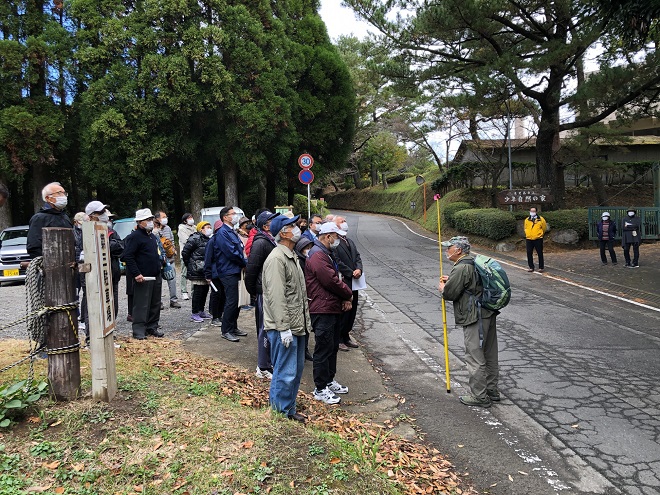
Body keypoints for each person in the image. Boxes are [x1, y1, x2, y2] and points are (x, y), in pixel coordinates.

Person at [439, 236, 499, 408]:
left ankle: (479, 396)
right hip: (487, 312)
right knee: (489, 353)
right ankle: (492, 390)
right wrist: (451, 281)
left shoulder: (461, 267)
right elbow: (471, 286)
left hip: (474, 315)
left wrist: (444, 288)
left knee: (474, 355)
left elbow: (450, 294)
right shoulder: (473, 263)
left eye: (449, 247)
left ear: (458, 250)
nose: (446, 250)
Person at [262, 214, 311, 423]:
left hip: (296, 325)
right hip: (284, 326)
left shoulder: (291, 256)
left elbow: (298, 295)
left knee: (295, 371)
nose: (297, 228)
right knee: (285, 372)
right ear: (283, 232)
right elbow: (276, 298)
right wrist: (283, 328)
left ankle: (288, 409)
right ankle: (279, 414)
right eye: (292, 226)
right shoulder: (276, 259)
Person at [305, 222, 353, 405]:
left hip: (330, 306)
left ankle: (329, 380)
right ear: (327, 236)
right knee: (323, 348)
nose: (338, 240)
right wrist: (348, 293)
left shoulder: (326, 253)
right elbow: (331, 281)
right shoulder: (318, 255)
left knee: (332, 346)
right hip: (322, 307)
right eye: (336, 236)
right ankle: (320, 387)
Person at [204, 206, 248, 342]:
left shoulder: (232, 231)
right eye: (232, 214)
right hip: (228, 271)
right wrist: (245, 262)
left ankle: (233, 327)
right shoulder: (222, 233)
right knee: (232, 300)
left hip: (235, 269)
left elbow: (239, 249)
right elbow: (231, 252)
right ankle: (226, 330)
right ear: (225, 217)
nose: (235, 216)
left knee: (237, 301)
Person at [245, 211, 280, 378]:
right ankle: (263, 366)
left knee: (270, 327)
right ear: (266, 225)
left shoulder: (270, 240)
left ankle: (268, 361)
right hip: (263, 290)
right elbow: (251, 269)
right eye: (272, 221)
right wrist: (254, 290)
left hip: (269, 290)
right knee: (265, 328)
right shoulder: (261, 242)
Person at [121, 208, 165, 340]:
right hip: (142, 276)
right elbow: (128, 256)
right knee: (141, 304)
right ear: (140, 222)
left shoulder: (151, 236)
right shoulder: (134, 237)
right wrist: (136, 273)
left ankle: (152, 327)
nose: (150, 222)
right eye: (147, 220)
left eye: (151, 219)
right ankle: (139, 330)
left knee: (155, 303)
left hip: (155, 274)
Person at [86, 201, 124, 317]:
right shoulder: (86, 231)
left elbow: (120, 247)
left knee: (112, 302)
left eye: (104, 212)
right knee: (95, 304)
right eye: (100, 212)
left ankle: (112, 328)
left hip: (112, 273)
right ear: (92, 216)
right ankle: (91, 333)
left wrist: (104, 243)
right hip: (95, 276)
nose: (104, 215)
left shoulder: (111, 231)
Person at [333, 216, 363, 352]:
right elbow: (337, 261)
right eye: (342, 221)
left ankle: (346, 335)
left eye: (345, 221)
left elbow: (357, 256)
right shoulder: (335, 243)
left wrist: (359, 269)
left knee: (353, 310)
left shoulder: (349, 240)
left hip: (354, 282)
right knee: (343, 310)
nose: (345, 223)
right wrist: (351, 272)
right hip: (344, 280)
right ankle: (339, 338)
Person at [27, 182, 73, 258]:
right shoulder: (39, 218)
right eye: (59, 193)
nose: (63, 196)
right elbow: (33, 246)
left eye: (64, 193)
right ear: (48, 198)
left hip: (68, 262)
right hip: (49, 264)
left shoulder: (65, 217)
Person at [182, 221, 213, 322]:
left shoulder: (208, 239)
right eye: (207, 227)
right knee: (198, 292)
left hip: (205, 269)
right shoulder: (194, 238)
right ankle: (194, 312)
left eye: (210, 227)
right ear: (201, 229)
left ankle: (201, 310)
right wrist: (191, 264)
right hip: (197, 270)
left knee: (204, 291)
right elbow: (185, 252)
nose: (209, 229)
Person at [154, 211, 181, 308]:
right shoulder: (153, 230)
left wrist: (173, 250)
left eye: (166, 217)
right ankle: (158, 302)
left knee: (172, 279)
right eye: (163, 217)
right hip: (158, 261)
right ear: (157, 219)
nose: (165, 218)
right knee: (158, 282)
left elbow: (172, 241)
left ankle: (173, 300)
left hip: (170, 259)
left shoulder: (168, 228)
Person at [295, 237, 315, 361]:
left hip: (309, 297)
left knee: (307, 325)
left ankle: (304, 349)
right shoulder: (298, 261)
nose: (308, 250)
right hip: (300, 297)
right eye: (305, 248)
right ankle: (300, 350)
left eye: (309, 248)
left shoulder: (310, 260)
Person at [178, 213, 197, 300]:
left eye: (191, 217)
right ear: (185, 220)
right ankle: (184, 291)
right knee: (184, 273)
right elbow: (186, 241)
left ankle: (194, 292)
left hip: (195, 254)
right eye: (189, 218)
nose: (191, 219)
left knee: (194, 272)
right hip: (185, 253)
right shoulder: (181, 228)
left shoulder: (195, 227)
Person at [524, 206, 546, 273]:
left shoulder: (541, 219)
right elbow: (525, 228)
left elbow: (544, 228)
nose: (532, 212)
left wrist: (540, 234)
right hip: (529, 239)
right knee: (529, 252)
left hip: (538, 238)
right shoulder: (527, 220)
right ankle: (531, 267)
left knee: (539, 253)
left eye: (533, 211)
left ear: (536, 212)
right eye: (531, 211)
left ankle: (541, 267)